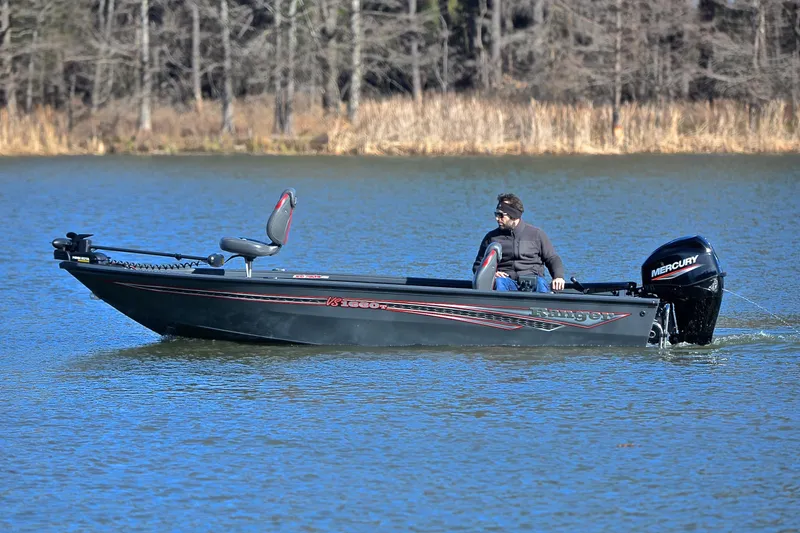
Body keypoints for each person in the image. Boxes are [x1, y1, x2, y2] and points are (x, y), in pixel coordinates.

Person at [472, 193, 565, 292]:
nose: (497, 218)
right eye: (496, 214)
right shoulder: (491, 238)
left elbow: (552, 258)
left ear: (513, 215)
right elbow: (478, 265)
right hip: (505, 281)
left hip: (533, 280)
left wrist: (558, 277)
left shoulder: (537, 234)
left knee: (540, 283)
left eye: (501, 215)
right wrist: (492, 274)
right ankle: (499, 301)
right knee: (499, 282)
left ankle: (544, 300)